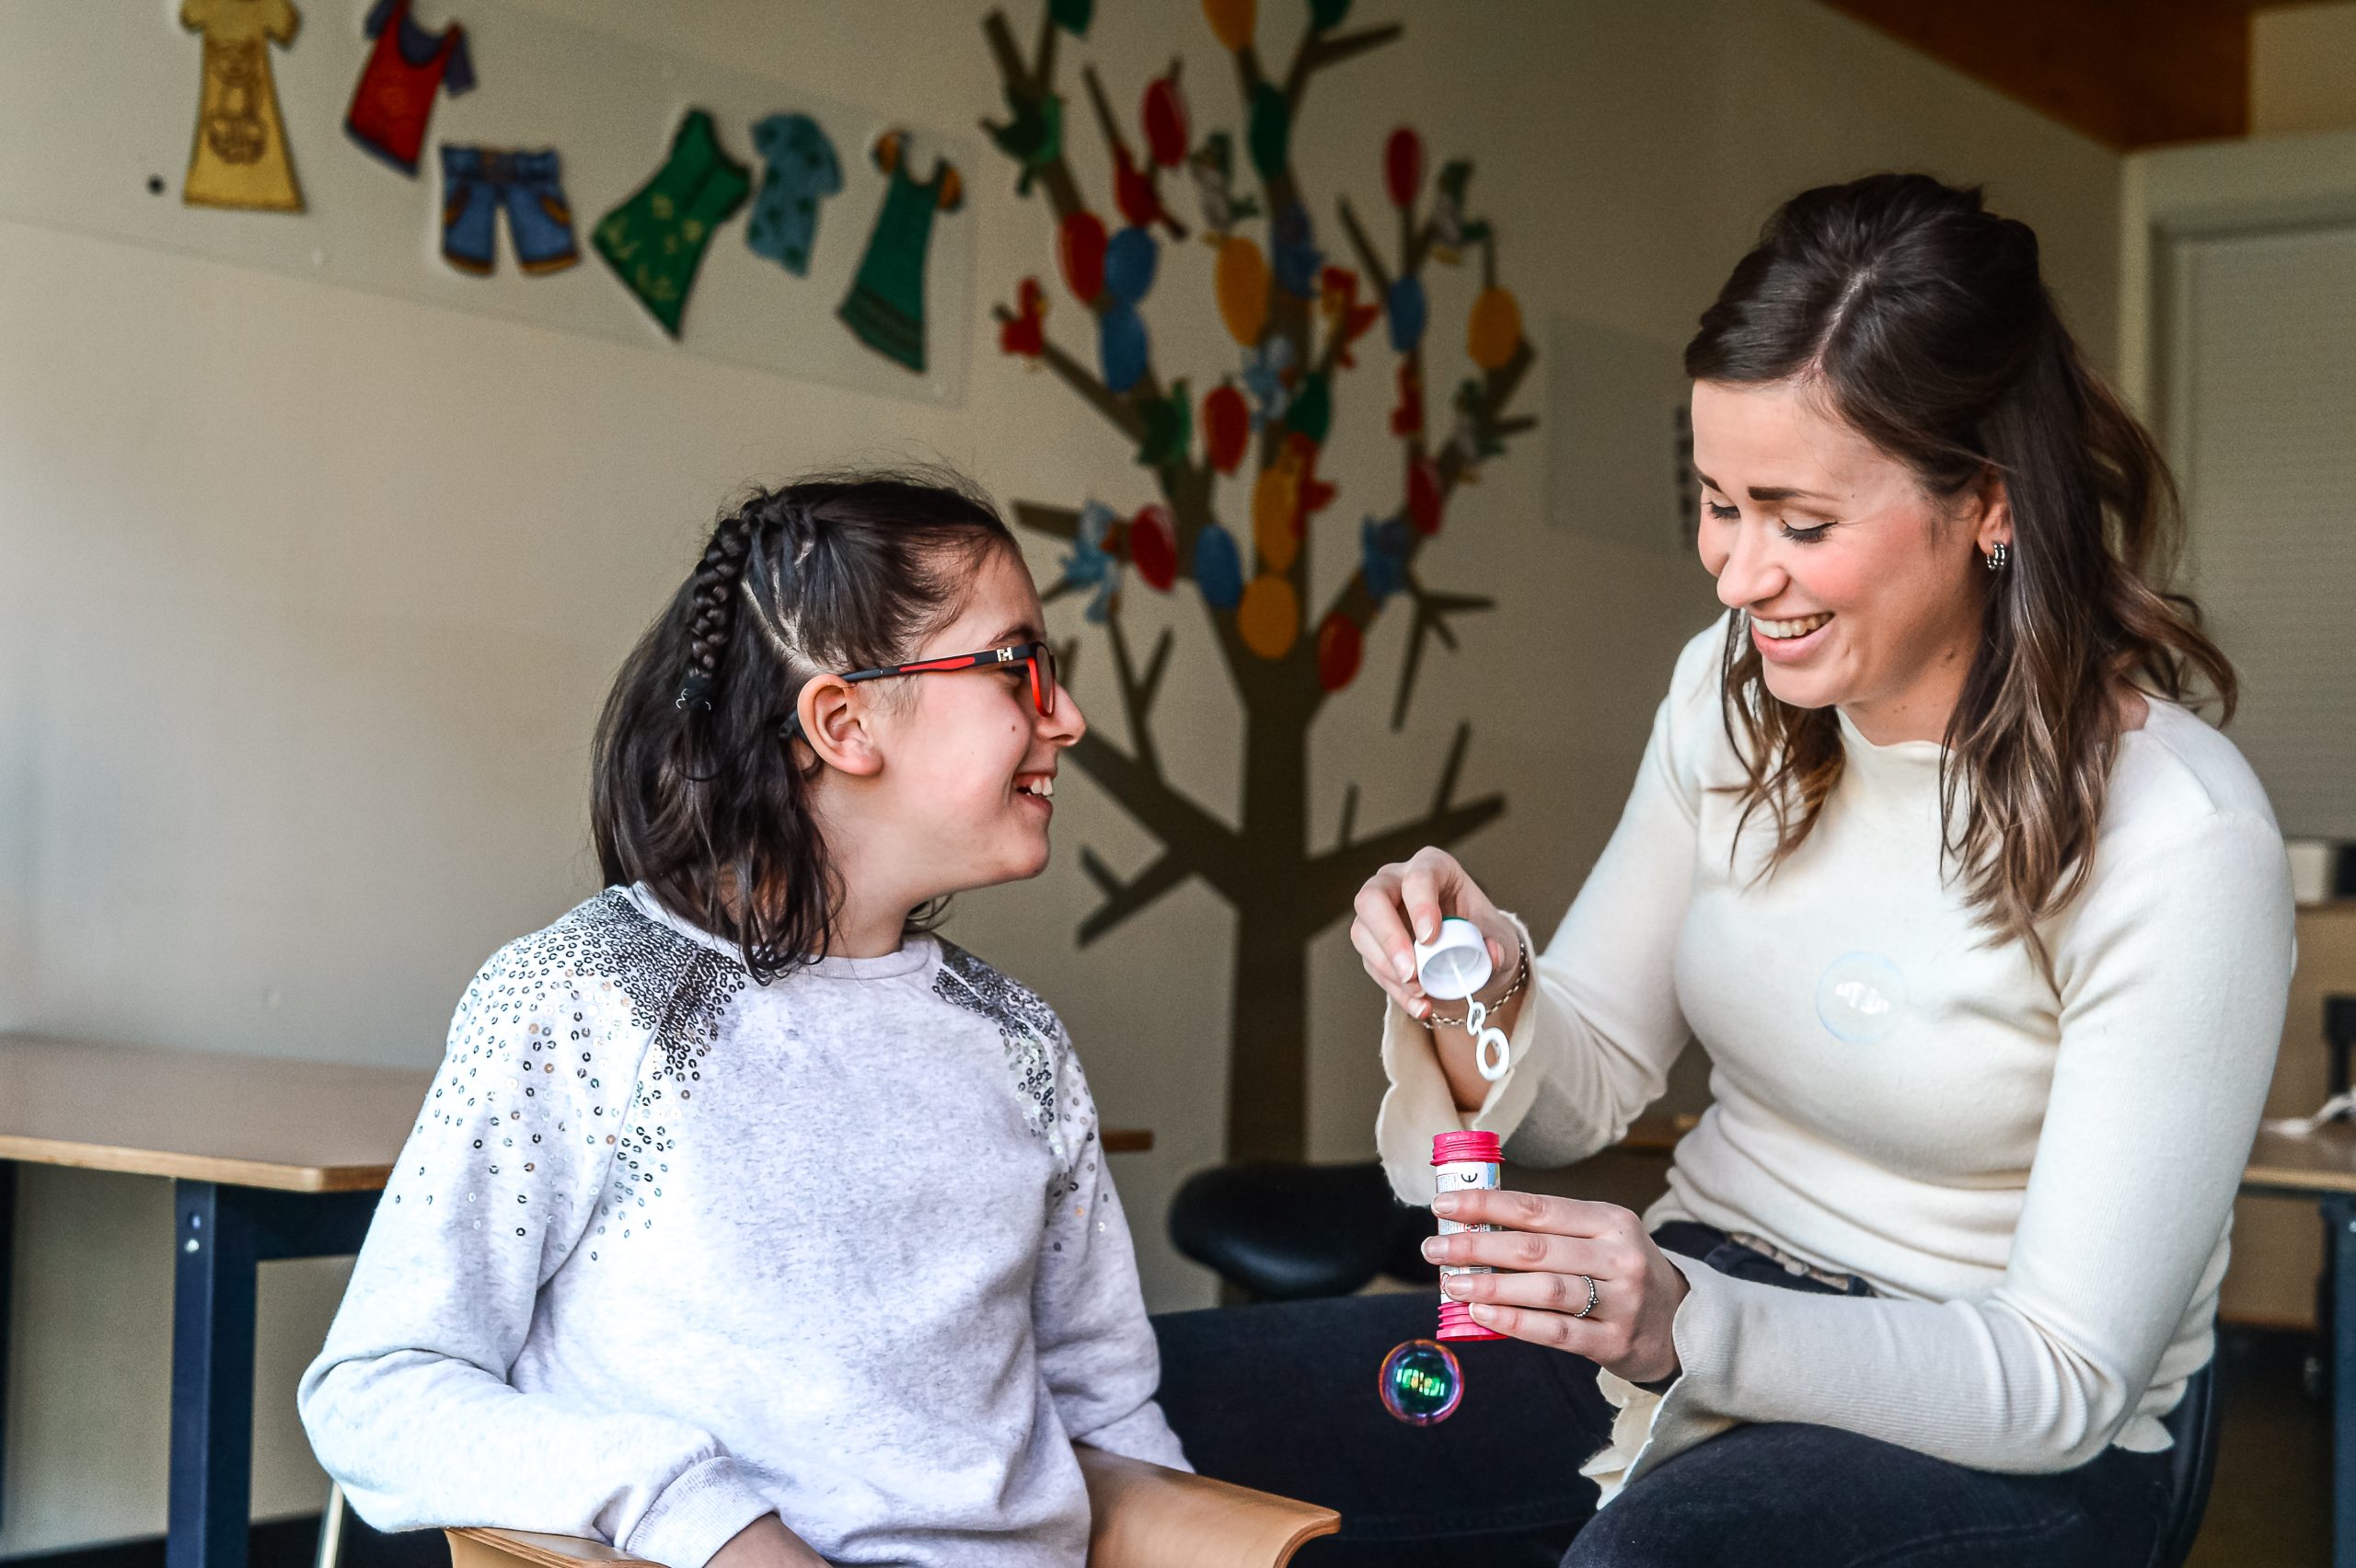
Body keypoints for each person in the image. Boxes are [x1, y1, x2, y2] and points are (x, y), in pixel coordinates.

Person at [1337, 173, 2295, 1564]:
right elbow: (1589, 1070)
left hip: (1992, 1427)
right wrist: (1470, 982)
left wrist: (1691, 1324)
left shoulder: (2180, 838)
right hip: (1686, 1306)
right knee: (1145, 1418)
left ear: (1990, 503)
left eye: (1798, 521)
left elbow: (2063, 1379)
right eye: (1718, 503)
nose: (1735, 576)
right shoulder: (1731, 689)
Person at [298, 471, 1185, 1568]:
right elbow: (378, 1391)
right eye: (1018, 668)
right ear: (843, 720)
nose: (1066, 717)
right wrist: (705, 1521)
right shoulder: (588, 997)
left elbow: (1107, 1419)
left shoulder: (1019, 1042)